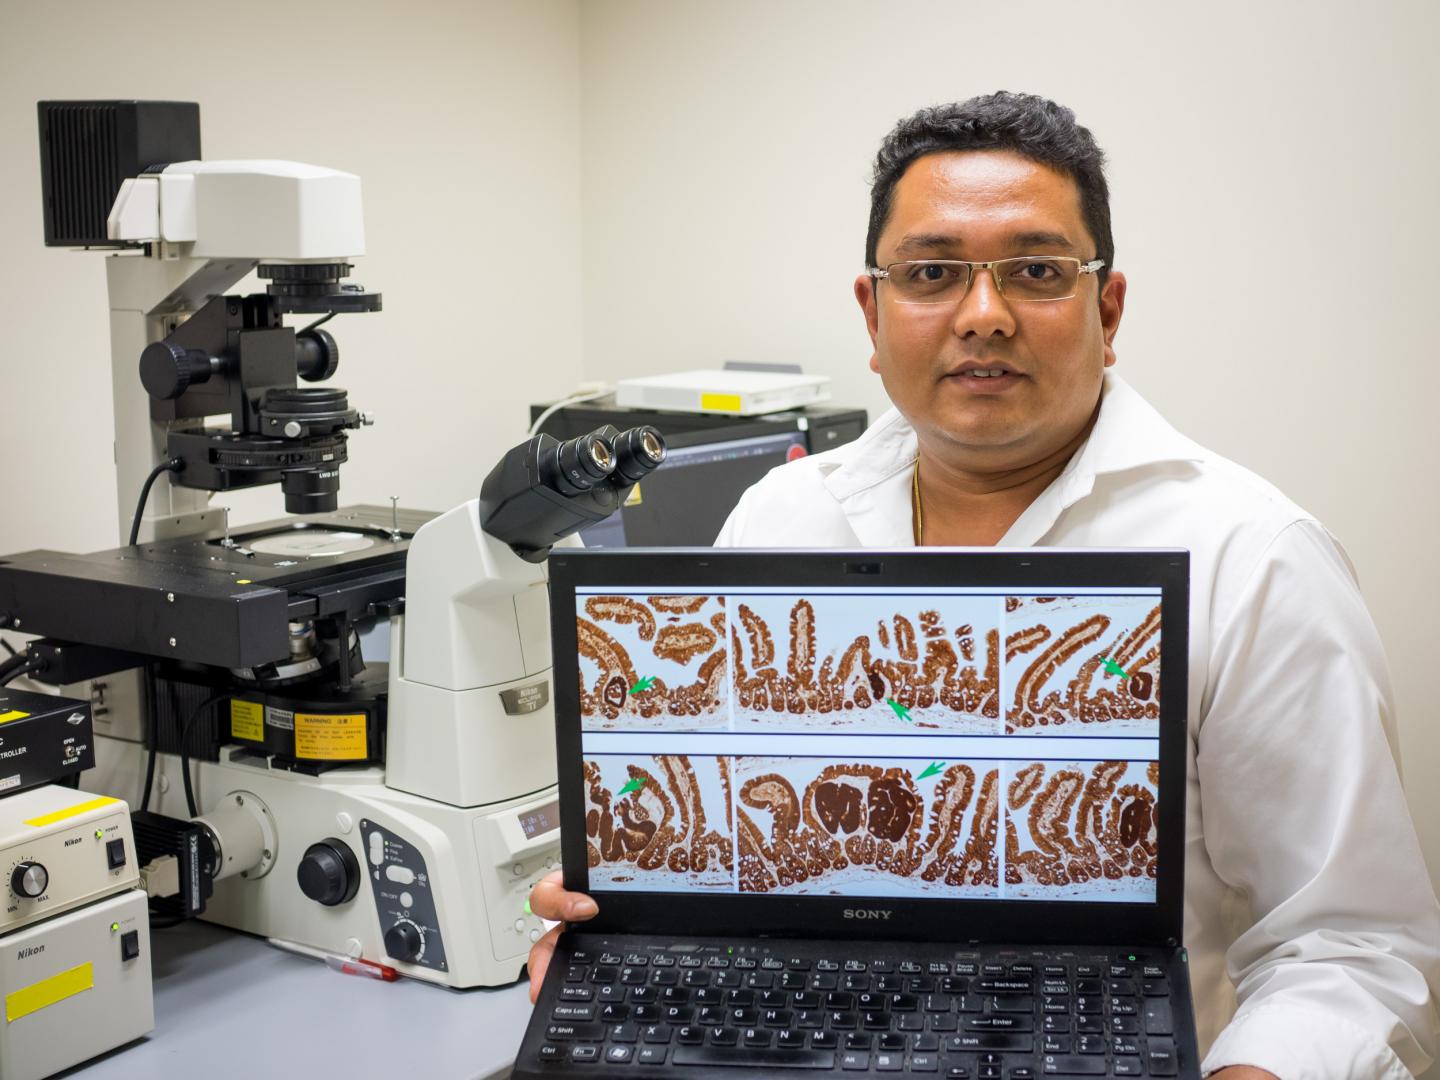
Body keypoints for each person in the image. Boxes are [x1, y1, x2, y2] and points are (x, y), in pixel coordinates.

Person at [526, 92, 1440, 1078]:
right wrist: (629, 925)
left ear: (1108, 307)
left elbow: (1353, 949)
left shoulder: (1254, 557)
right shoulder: (778, 518)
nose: (984, 315)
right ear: (874, 316)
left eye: (1038, 271)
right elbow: (738, 840)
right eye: (931, 274)